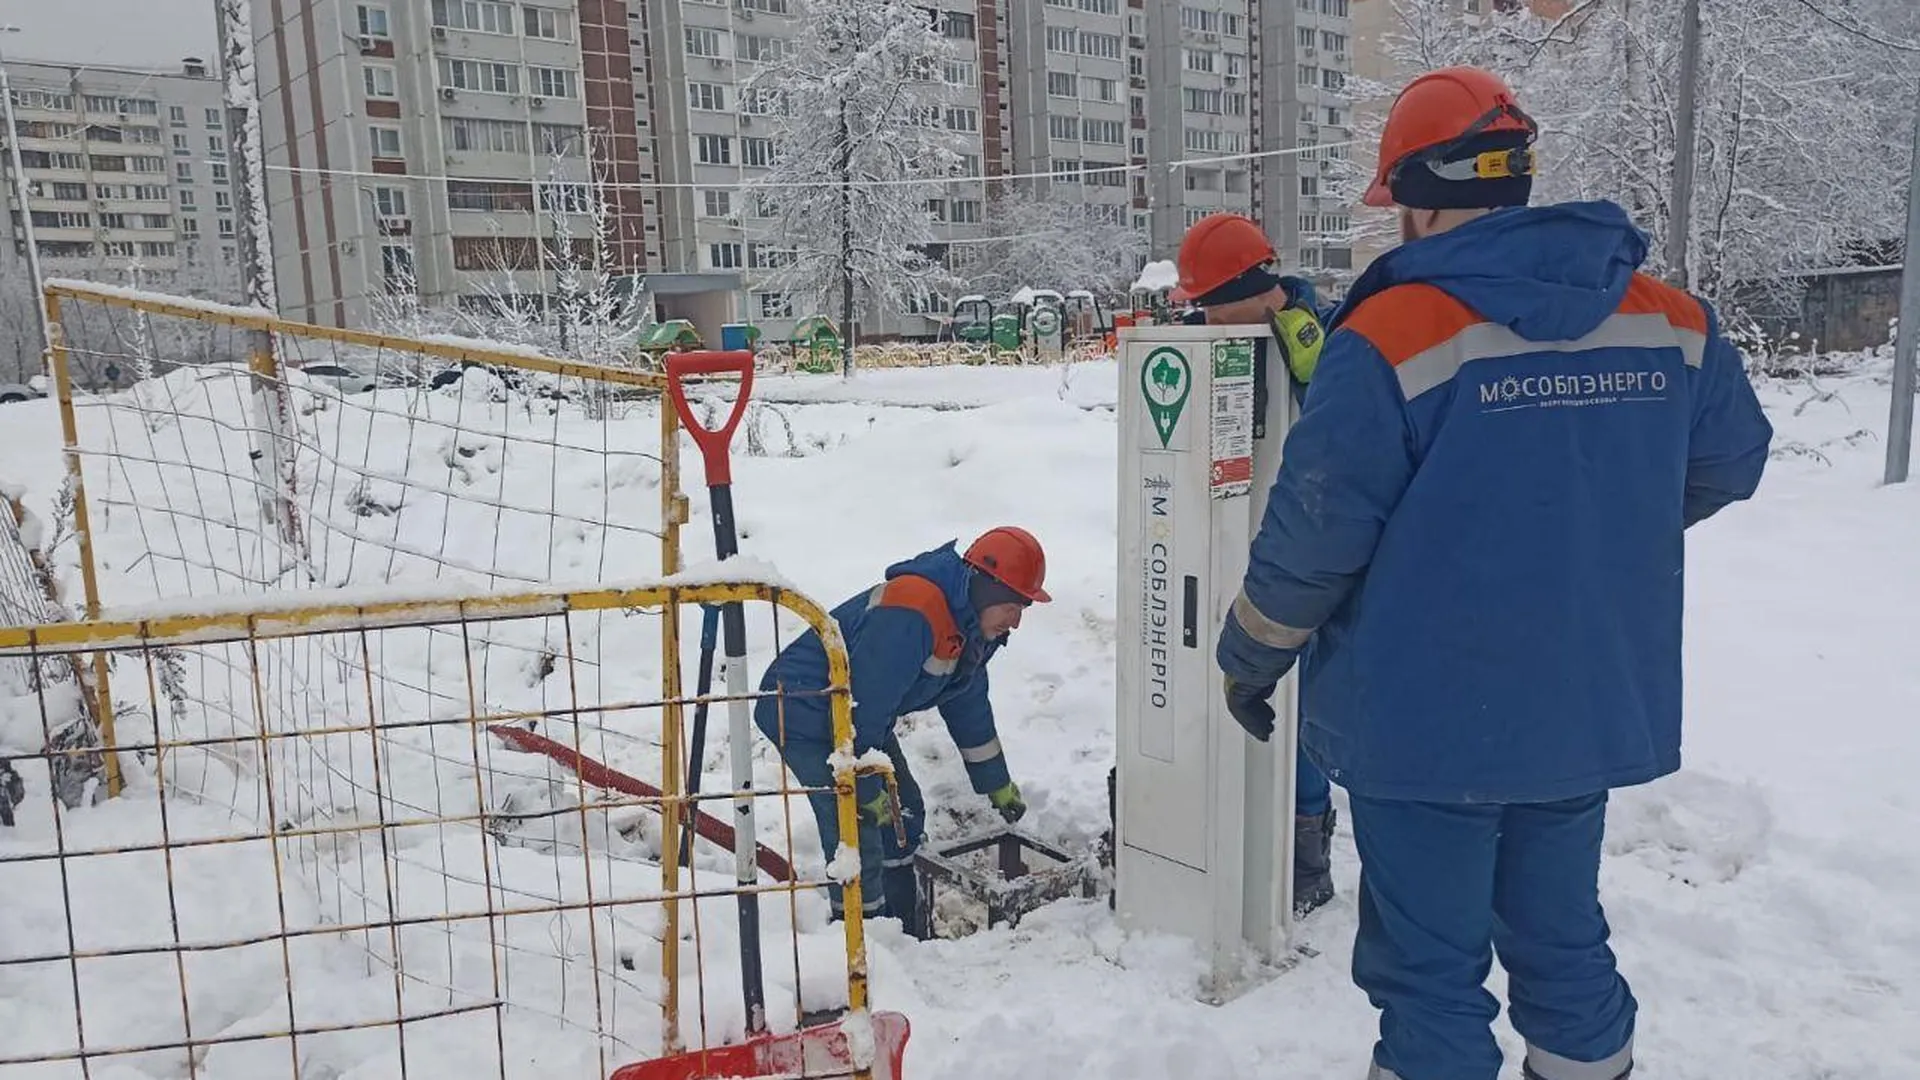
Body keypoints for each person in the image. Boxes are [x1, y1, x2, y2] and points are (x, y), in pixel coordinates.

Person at [1212, 66, 1772, 1080]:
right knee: (1563, 946)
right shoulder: (1673, 320)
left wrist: (1252, 653)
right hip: (1579, 708)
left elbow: (1320, 528)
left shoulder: (1389, 332)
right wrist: (1594, 533)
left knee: (1428, 977)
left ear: (1420, 200)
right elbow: (1731, 462)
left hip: (1424, 723)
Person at [1169, 210, 1342, 918]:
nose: (1204, 317)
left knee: (1294, 711)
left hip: (1309, 553)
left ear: (1253, 288)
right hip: (1228, 546)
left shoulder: (1321, 342)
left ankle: (1307, 848)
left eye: (1210, 303)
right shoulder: (1225, 339)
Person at [753, 526, 1047, 937]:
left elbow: (968, 704)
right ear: (986, 587)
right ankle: (864, 942)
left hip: (854, 716)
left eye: (1023, 609)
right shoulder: (914, 611)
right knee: (857, 829)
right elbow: (866, 705)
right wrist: (866, 785)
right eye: (1013, 606)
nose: (1015, 621)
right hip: (802, 711)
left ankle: (904, 925)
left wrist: (995, 782)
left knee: (904, 813)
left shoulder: (972, 628)